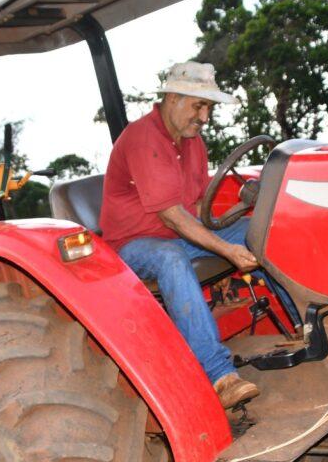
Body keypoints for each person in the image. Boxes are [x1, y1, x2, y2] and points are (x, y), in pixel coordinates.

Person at [100, 61, 301, 409]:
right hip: (132, 245)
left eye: (208, 107)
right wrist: (227, 250)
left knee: (257, 232)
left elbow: (198, 204)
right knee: (170, 257)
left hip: (177, 233)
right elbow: (173, 216)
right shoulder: (143, 138)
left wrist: (240, 210)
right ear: (174, 98)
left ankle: (302, 327)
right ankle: (220, 376)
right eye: (199, 105)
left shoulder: (193, 142)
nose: (205, 116)